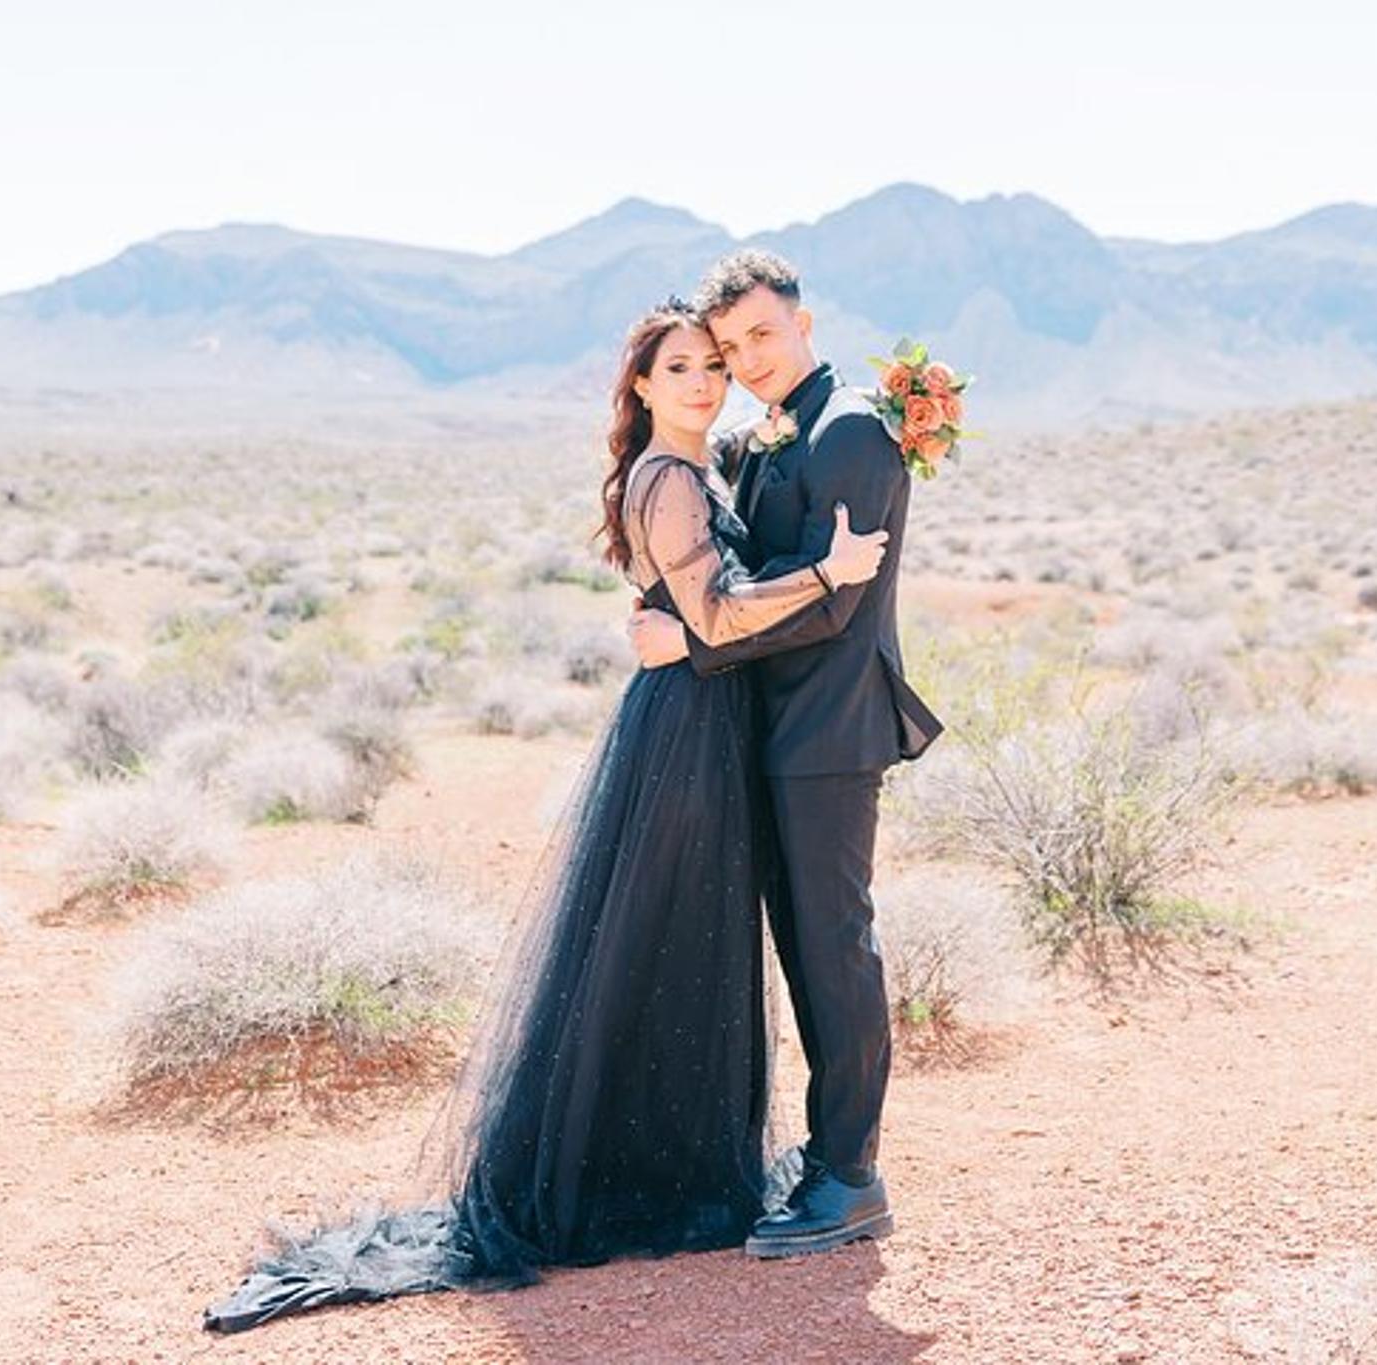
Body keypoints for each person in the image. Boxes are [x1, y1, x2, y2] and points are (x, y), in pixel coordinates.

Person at [200, 299, 889, 1333]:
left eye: (714, 364)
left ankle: (677, 1153)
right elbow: (708, 616)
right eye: (681, 368)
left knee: (681, 948)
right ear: (643, 389)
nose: (704, 381)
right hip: (685, 736)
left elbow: (694, 615)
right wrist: (826, 576)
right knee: (651, 942)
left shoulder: (708, 467)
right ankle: (619, 1172)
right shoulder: (667, 478)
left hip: (708, 720)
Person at [628, 249, 943, 1259]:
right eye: (726, 348)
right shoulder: (766, 438)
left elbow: (833, 599)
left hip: (826, 736)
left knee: (834, 950)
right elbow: (740, 573)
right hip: (766, 732)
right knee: (803, 954)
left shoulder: (848, 427)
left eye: (760, 335)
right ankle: (822, 1158)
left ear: (803, 322)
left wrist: (694, 636)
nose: (745, 359)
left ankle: (850, 1175)